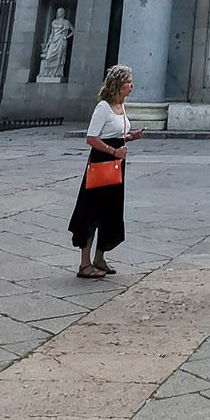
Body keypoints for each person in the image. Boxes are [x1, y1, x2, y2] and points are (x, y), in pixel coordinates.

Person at [70, 65, 144, 279]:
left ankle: (99, 258)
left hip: (116, 165)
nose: (132, 85)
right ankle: (84, 264)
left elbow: (115, 135)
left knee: (110, 211)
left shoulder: (121, 106)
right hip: (101, 163)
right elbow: (92, 138)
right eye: (128, 81)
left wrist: (131, 137)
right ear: (118, 84)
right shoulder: (103, 107)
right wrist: (114, 151)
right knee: (92, 211)